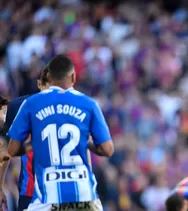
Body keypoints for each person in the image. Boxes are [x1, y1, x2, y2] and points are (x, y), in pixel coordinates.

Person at [6, 54, 114, 211]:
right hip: (84, 196)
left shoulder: (30, 104)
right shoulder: (89, 104)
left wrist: (32, 144)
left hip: (47, 198)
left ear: (48, 77)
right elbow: (107, 149)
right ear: (73, 76)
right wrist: (86, 143)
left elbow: (12, 149)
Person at [0, 67, 49, 211]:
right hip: (29, 192)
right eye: (47, 86)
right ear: (39, 84)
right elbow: (5, 152)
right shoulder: (18, 108)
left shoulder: (68, 110)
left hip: (59, 191)